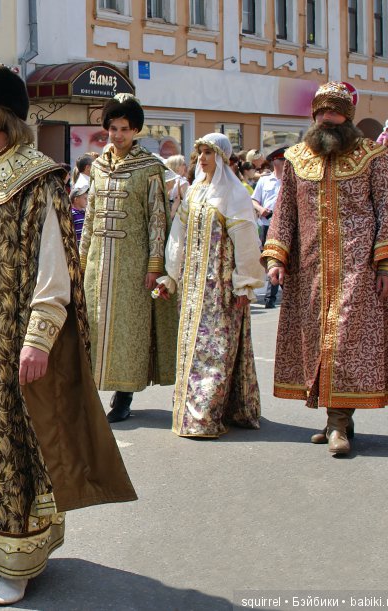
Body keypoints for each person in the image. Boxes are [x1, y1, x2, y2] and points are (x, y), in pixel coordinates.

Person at [0, 62, 136, 606]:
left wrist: (38, 339)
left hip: (11, 341)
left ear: (3, 115)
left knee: (16, 444)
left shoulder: (36, 176)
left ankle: (21, 557)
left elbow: (54, 267)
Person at [262, 82, 388, 456]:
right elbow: (285, 213)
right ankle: (338, 416)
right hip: (310, 269)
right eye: (322, 111)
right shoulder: (295, 159)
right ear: (313, 115)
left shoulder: (372, 157)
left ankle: (337, 424)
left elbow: (387, 213)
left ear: (348, 117)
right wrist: (277, 256)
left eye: (336, 111)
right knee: (318, 346)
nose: (328, 118)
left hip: (357, 266)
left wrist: (387, 265)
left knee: (342, 341)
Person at [79, 93, 178, 423]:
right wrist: (81, 261)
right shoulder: (98, 167)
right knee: (94, 326)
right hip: (97, 262)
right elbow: (90, 216)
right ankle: (91, 390)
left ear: (135, 131)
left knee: (128, 330)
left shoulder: (150, 168)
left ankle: (123, 396)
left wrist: (154, 265)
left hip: (133, 264)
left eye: (124, 128)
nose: (118, 135)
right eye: (113, 128)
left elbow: (158, 219)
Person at [156, 133, 263, 437]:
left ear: (223, 157)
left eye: (209, 153)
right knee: (192, 345)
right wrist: (172, 275)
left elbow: (246, 242)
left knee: (216, 348)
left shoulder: (234, 194)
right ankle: (193, 407)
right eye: (200, 152)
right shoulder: (194, 192)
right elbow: (178, 235)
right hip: (192, 286)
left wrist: (245, 283)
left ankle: (204, 414)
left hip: (221, 285)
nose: (202, 158)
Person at [252, 147, 286, 308]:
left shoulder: (291, 180)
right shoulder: (265, 180)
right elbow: (254, 200)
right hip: (267, 225)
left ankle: (279, 294)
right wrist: (260, 210)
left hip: (285, 227)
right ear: (275, 162)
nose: (286, 165)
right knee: (271, 260)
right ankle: (270, 298)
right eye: (283, 161)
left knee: (283, 260)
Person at [164, 154, 189, 219]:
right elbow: (187, 203)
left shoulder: (165, 181)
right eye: (183, 164)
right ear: (178, 167)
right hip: (178, 217)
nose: (185, 166)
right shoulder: (183, 183)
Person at [69, 173, 88, 244]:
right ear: (76, 200)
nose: (87, 201)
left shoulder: (85, 213)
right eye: (85, 198)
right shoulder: (72, 214)